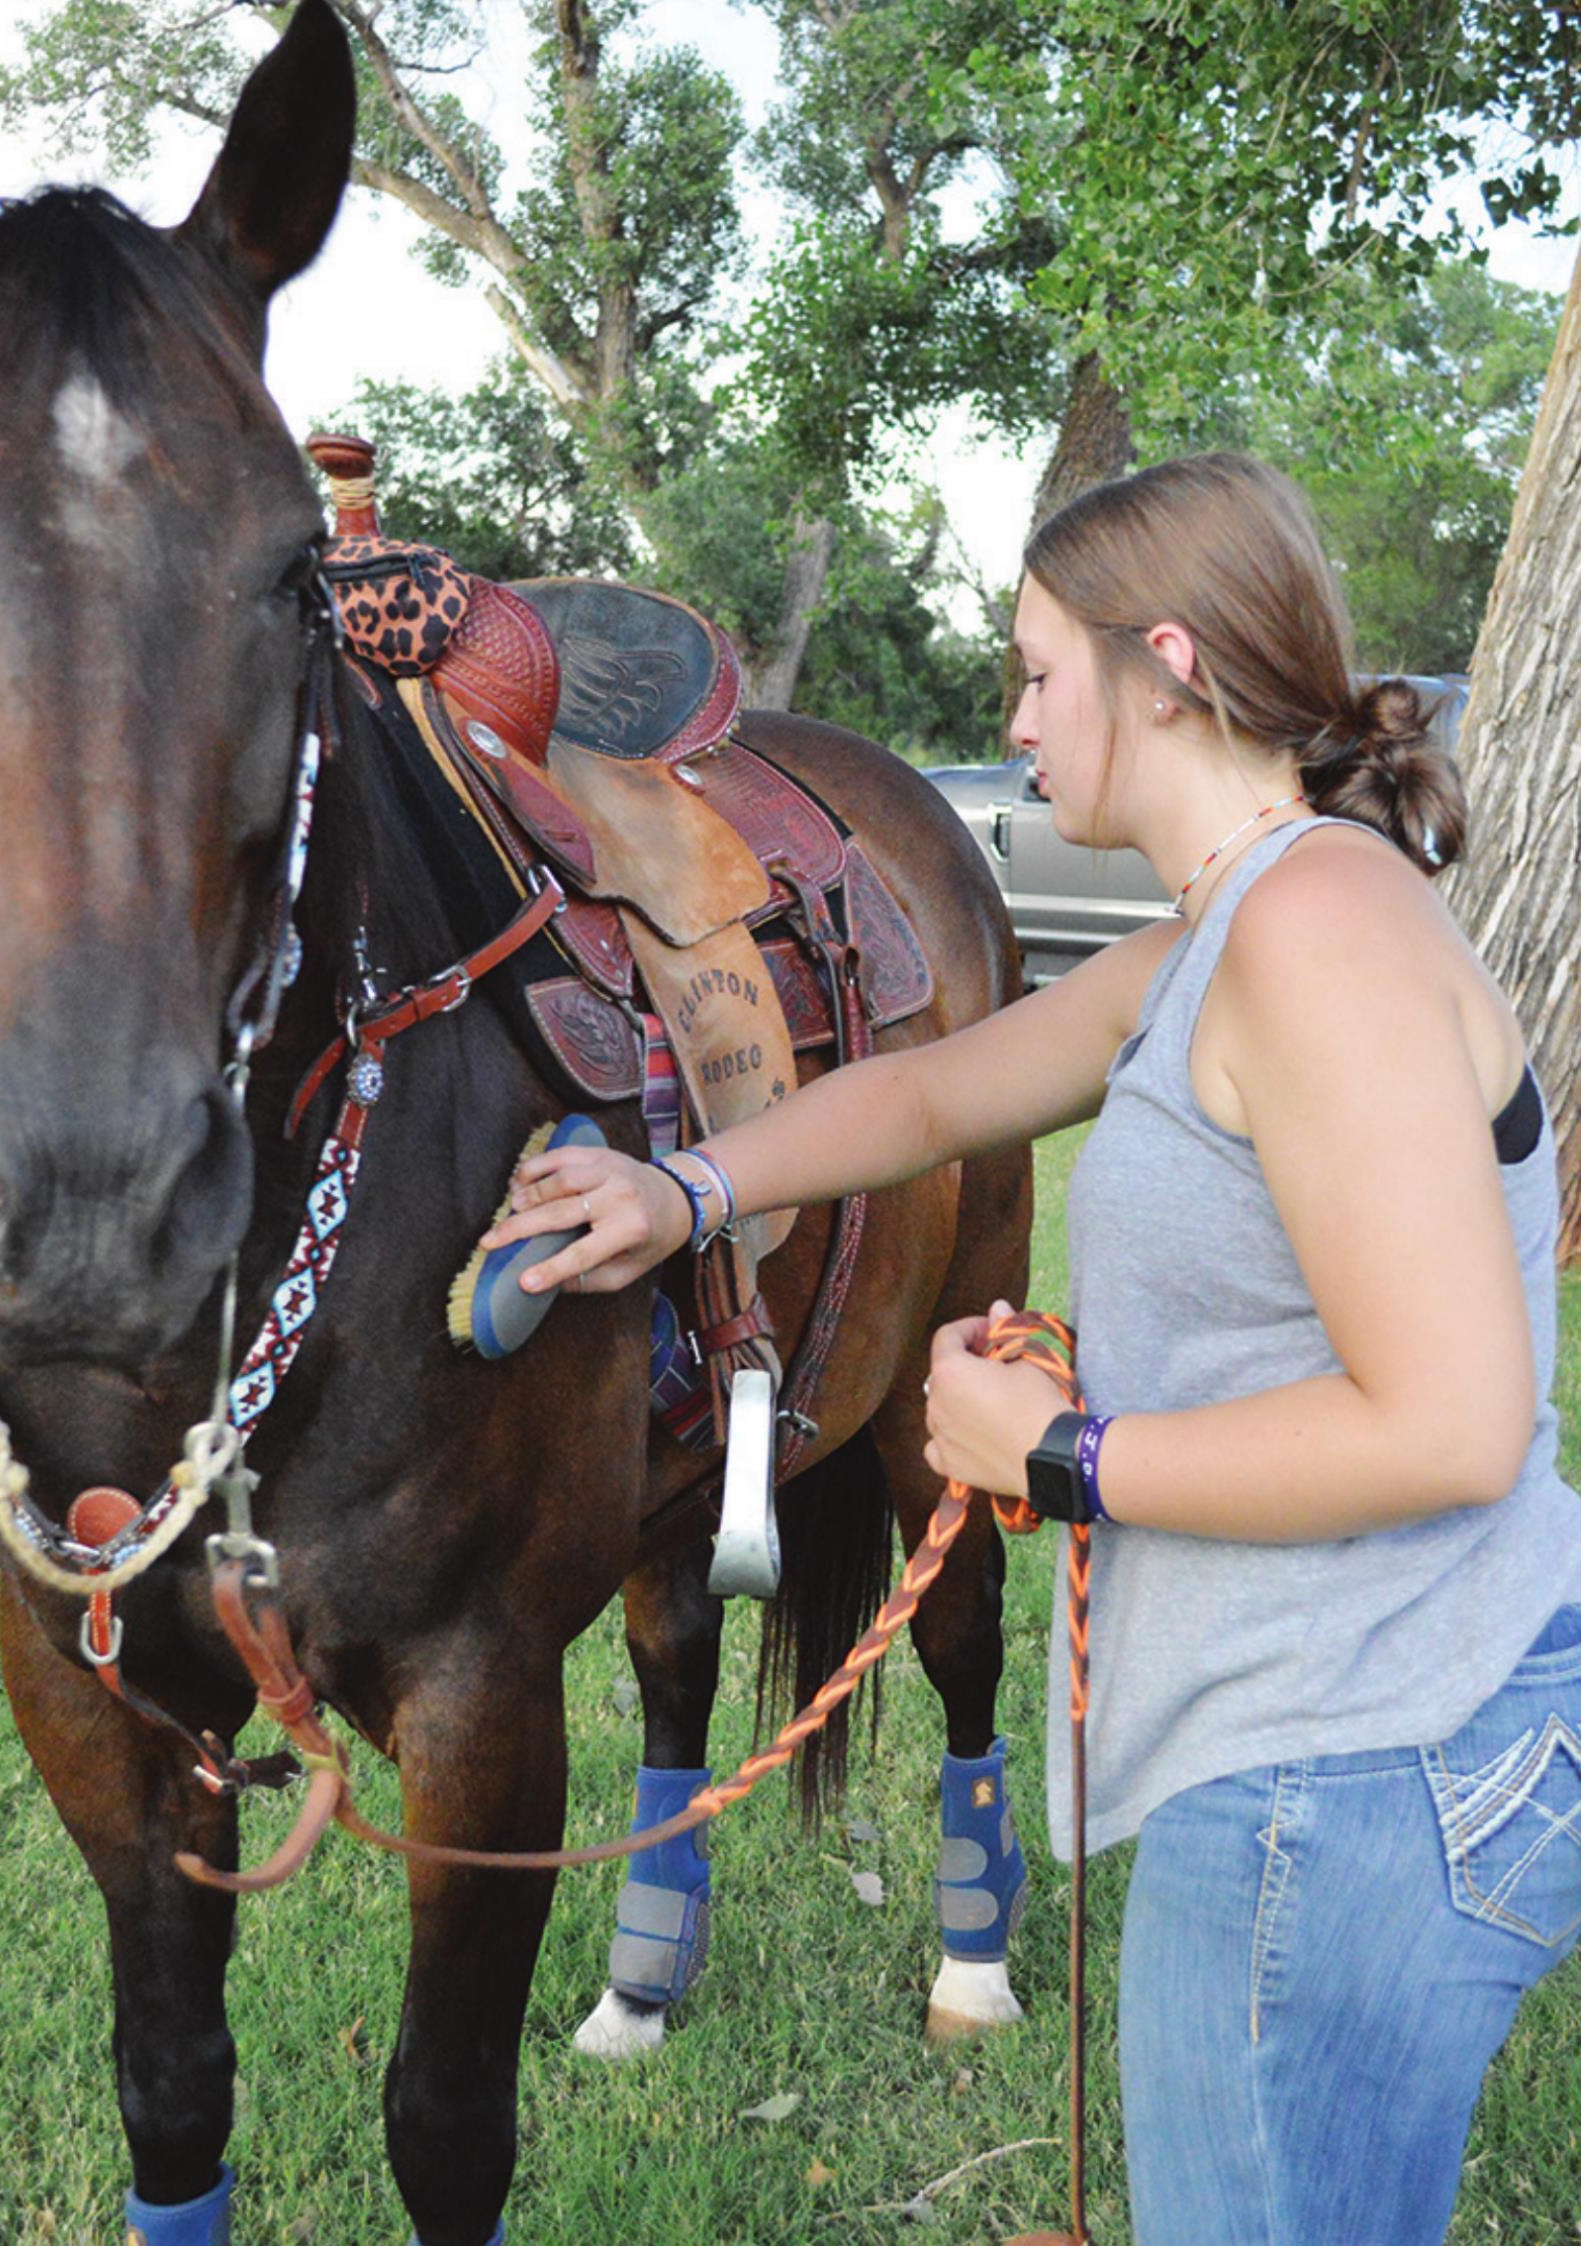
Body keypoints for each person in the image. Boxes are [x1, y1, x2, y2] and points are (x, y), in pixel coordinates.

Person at [478, 451, 1581, 2244]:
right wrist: (683, 1191)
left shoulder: (1311, 928)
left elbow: (1455, 1422)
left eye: (1034, 670)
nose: (1013, 715)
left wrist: (1058, 1454)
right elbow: (925, 1088)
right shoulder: (1229, 927)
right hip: (1335, 1727)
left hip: (1361, 1752)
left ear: (1162, 667)